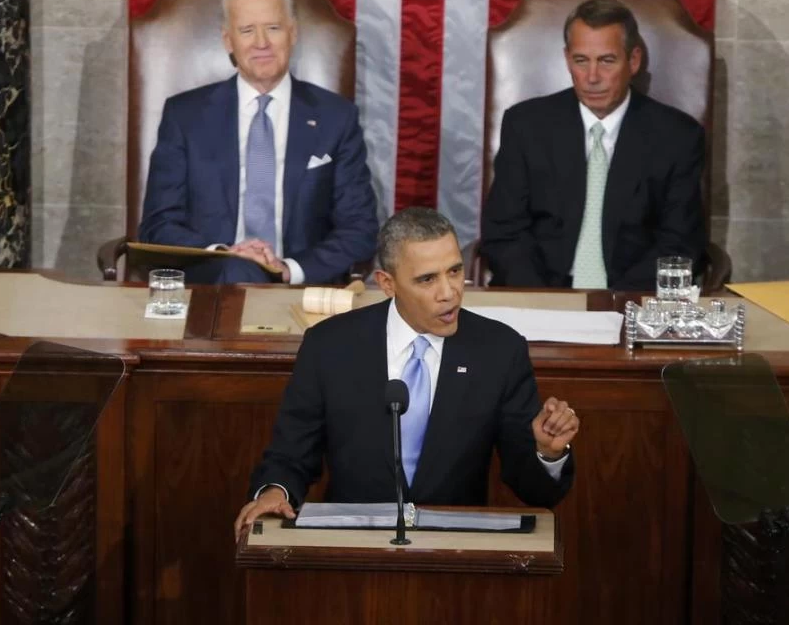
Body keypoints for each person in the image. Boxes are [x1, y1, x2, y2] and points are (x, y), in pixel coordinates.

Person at [234, 207, 578, 536]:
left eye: (455, 271)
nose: (449, 293)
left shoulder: (499, 351)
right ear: (387, 283)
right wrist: (274, 492)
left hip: (455, 557)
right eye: (427, 279)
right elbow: (291, 454)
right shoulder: (330, 346)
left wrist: (547, 454)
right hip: (351, 551)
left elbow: (536, 491)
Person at [138, 0, 378, 285]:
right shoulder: (184, 116)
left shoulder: (336, 118)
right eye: (247, 30)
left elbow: (359, 228)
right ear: (228, 40)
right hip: (211, 284)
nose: (261, 42)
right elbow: (159, 224)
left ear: (292, 33)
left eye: (273, 28)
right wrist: (223, 253)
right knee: (238, 271)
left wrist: (289, 269)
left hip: (298, 288)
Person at [480, 0, 707, 291]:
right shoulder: (526, 126)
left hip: (632, 299)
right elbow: (504, 232)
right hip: (539, 293)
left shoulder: (677, 136)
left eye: (607, 60)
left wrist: (614, 304)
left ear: (633, 60)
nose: (592, 77)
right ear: (567, 60)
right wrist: (542, 299)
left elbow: (679, 243)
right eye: (581, 61)